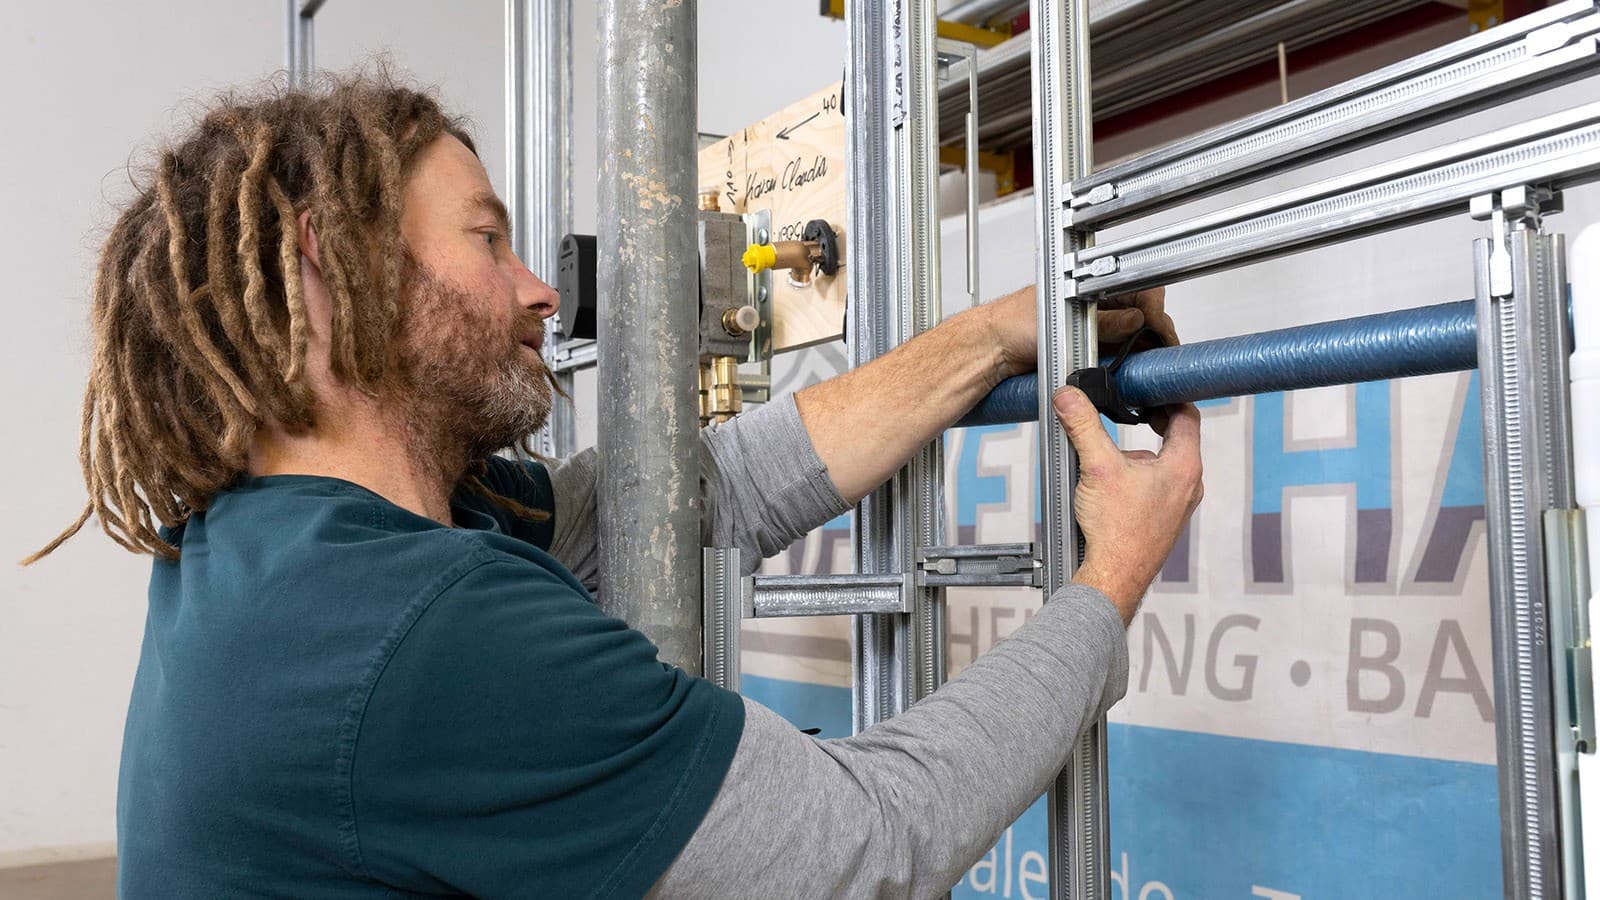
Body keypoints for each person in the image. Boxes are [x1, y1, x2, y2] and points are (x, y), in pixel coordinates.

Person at [28, 72, 1201, 899]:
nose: (540, 290)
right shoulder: (416, 626)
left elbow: (703, 495)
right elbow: (866, 846)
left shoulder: (287, 542)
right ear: (326, 270)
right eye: (487, 241)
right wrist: (1111, 577)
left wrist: (991, 336)